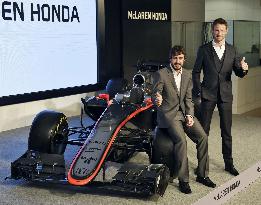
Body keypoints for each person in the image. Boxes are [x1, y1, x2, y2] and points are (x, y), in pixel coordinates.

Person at [152, 45, 216, 194]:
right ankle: (184, 180)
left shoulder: (187, 74)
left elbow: (188, 98)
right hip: (169, 115)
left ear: (184, 59)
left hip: (183, 113)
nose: (177, 61)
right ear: (170, 59)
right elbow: (156, 94)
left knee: (203, 137)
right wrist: (157, 99)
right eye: (175, 58)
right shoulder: (161, 74)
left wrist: (189, 115)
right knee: (181, 141)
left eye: (180, 58)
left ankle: (202, 175)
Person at [192, 18, 248, 176]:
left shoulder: (232, 50)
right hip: (207, 95)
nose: (219, 33)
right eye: (216, 30)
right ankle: (202, 166)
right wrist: (198, 91)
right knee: (204, 132)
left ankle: (228, 164)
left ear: (227, 31)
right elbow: (196, 72)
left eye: (222, 30)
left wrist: (243, 69)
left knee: (227, 131)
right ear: (212, 31)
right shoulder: (203, 49)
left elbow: (238, 72)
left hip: (225, 96)